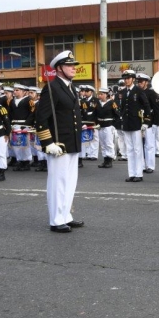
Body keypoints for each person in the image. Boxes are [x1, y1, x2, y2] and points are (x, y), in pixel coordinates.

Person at [35, 50, 85, 233]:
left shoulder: (71, 87)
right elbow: (41, 118)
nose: (74, 68)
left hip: (71, 142)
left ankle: (66, 216)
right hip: (58, 144)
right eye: (69, 65)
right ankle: (56, 220)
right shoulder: (51, 88)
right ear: (59, 68)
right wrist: (48, 142)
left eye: (74, 65)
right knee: (58, 183)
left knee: (70, 182)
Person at [117, 70, 151, 183]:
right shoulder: (123, 91)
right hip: (127, 123)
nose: (126, 80)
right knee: (130, 149)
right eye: (125, 78)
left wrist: (146, 121)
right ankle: (132, 173)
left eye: (128, 78)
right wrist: (121, 119)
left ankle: (138, 173)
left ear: (133, 79)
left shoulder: (138, 91)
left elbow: (146, 106)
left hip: (136, 123)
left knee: (137, 149)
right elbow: (122, 108)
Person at [137, 73, 159, 174]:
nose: (139, 84)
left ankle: (150, 165)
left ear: (146, 82)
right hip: (138, 122)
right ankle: (142, 165)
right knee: (139, 145)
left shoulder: (151, 93)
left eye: (141, 82)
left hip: (149, 122)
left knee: (149, 145)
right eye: (138, 82)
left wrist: (155, 122)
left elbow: (156, 109)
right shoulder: (136, 92)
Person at [8, 84, 35, 171]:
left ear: (24, 92)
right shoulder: (12, 101)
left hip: (24, 125)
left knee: (25, 144)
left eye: (17, 90)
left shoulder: (28, 100)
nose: (15, 92)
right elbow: (10, 113)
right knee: (16, 145)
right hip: (15, 125)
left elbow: (32, 112)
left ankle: (26, 162)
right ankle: (19, 161)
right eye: (14, 90)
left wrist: (28, 124)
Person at [95, 87, 120, 169]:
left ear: (106, 95)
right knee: (102, 143)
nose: (100, 96)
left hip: (108, 125)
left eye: (102, 94)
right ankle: (105, 159)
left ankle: (109, 160)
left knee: (108, 143)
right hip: (100, 125)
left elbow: (117, 115)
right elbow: (94, 114)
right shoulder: (97, 103)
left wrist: (114, 125)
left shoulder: (112, 103)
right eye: (99, 94)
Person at [79, 85, 100, 162]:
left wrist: (97, 122)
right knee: (85, 138)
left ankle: (94, 155)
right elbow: (81, 112)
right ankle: (86, 153)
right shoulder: (82, 101)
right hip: (85, 122)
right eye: (85, 91)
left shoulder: (96, 100)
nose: (85, 93)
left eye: (87, 91)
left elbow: (98, 112)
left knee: (94, 138)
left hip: (93, 122)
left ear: (91, 92)